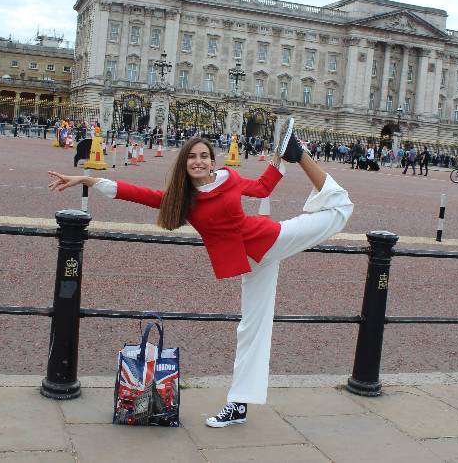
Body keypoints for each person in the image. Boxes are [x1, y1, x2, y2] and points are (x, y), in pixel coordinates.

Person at [47, 118, 353, 429]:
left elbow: (262, 187)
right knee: (251, 329)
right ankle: (239, 405)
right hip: (252, 261)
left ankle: (299, 152)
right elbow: (136, 193)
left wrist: (281, 157)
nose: (198, 161)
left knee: (341, 208)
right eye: (192, 157)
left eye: (204, 156)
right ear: (185, 163)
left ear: (212, 161)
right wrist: (86, 180)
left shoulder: (229, 178)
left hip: (269, 238)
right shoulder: (184, 200)